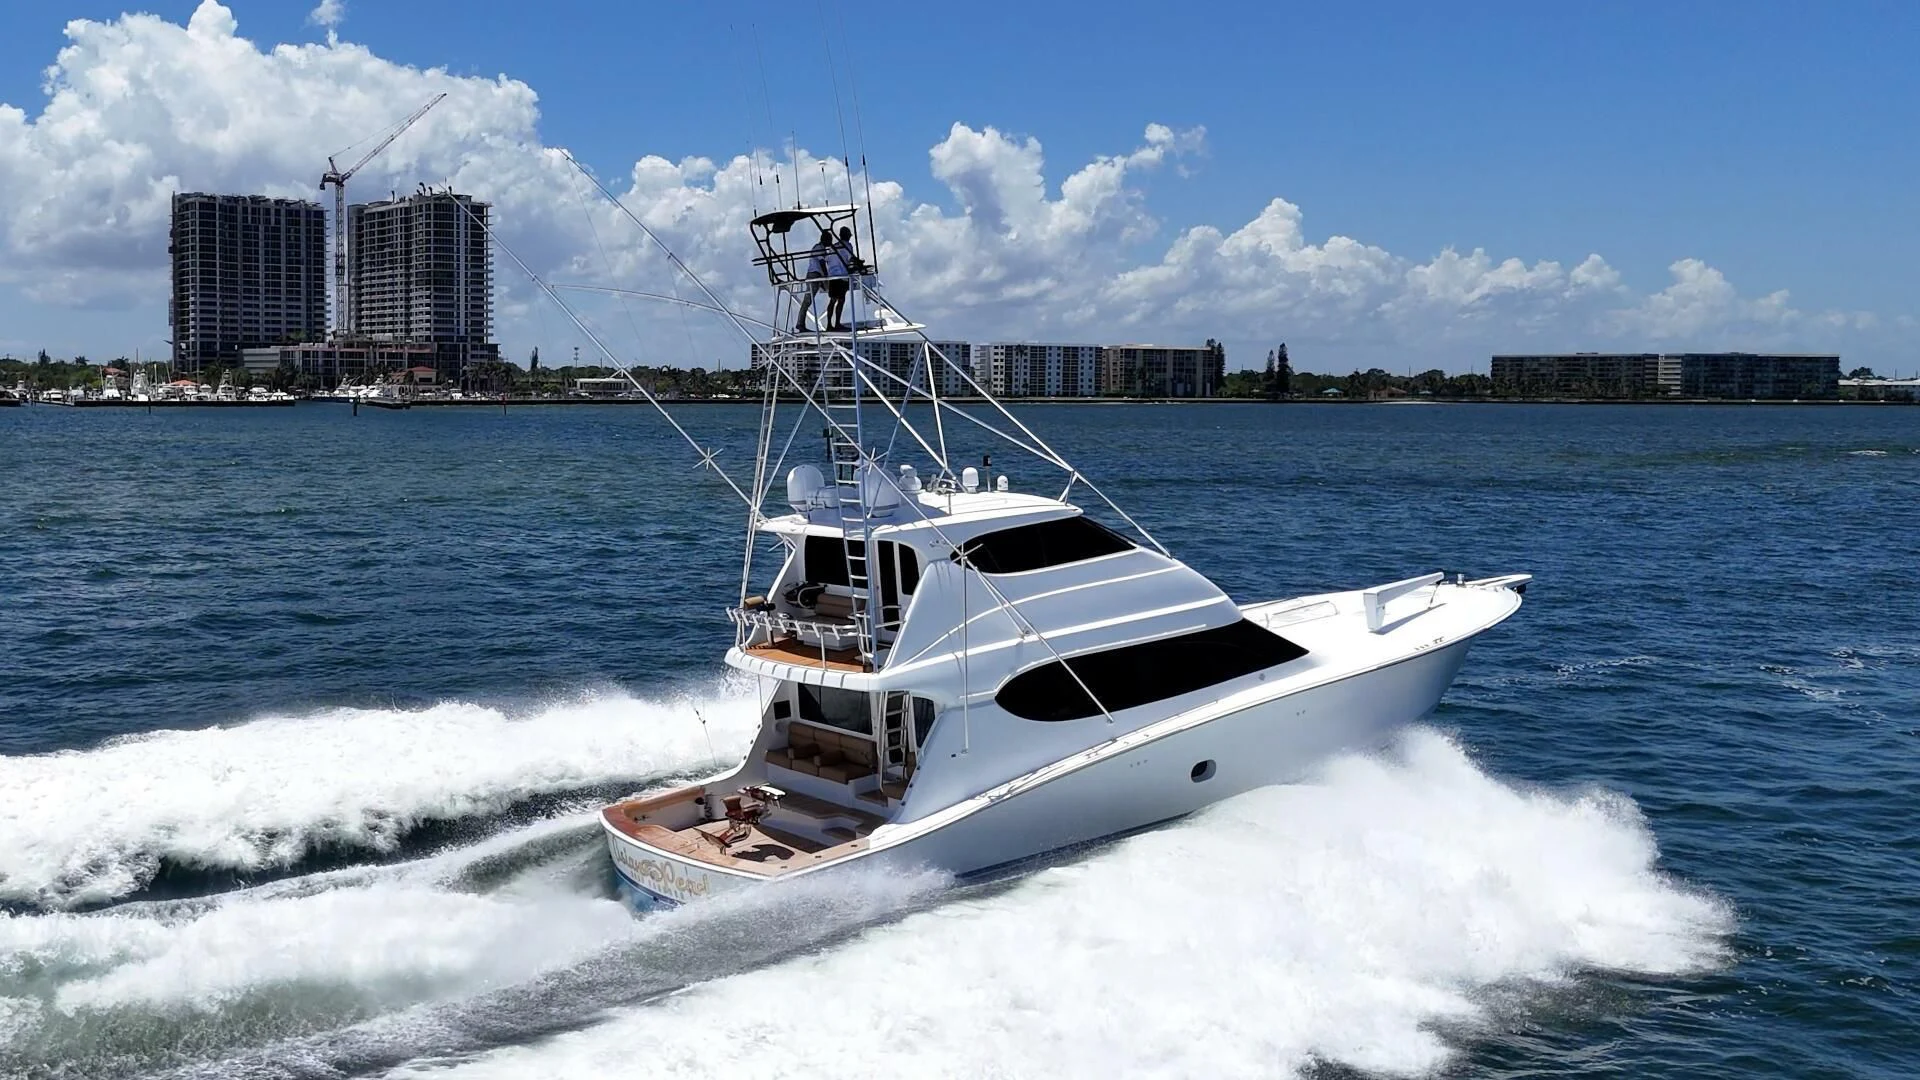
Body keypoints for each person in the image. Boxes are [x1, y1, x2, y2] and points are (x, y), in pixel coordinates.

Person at [795, 229, 833, 332]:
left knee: (808, 300)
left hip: (816, 274)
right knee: (807, 300)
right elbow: (822, 263)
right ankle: (800, 324)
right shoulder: (819, 248)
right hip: (815, 275)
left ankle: (801, 323)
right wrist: (826, 278)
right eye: (829, 240)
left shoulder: (820, 248)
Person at [823, 226, 859, 331]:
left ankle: (829, 325)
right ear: (847, 236)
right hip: (842, 276)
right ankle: (837, 323)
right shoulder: (847, 245)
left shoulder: (833, 247)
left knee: (832, 300)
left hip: (832, 276)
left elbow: (827, 259)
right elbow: (851, 258)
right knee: (841, 300)